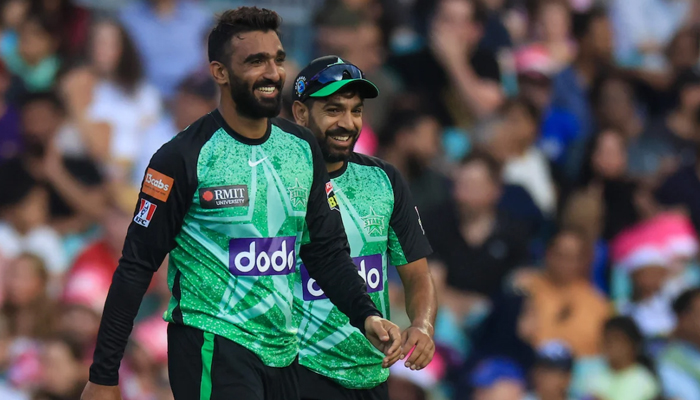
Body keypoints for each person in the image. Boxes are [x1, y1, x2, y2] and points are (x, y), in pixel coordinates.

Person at [81, 7, 401, 400]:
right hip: (213, 345)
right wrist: (103, 375)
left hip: (285, 354)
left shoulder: (302, 149)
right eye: (255, 61)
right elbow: (135, 267)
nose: (272, 73)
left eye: (278, 60)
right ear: (219, 72)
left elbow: (326, 251)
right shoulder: (181, 157)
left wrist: (365, 315)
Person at [290, 56, 437, 399]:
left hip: (371, 373)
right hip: (297, 371)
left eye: (356, 111)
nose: (347, 123)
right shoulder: (278, 181)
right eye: (333, 110)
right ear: (300, 113)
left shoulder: (384, 179)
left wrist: (423, 325)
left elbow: (416, 274)